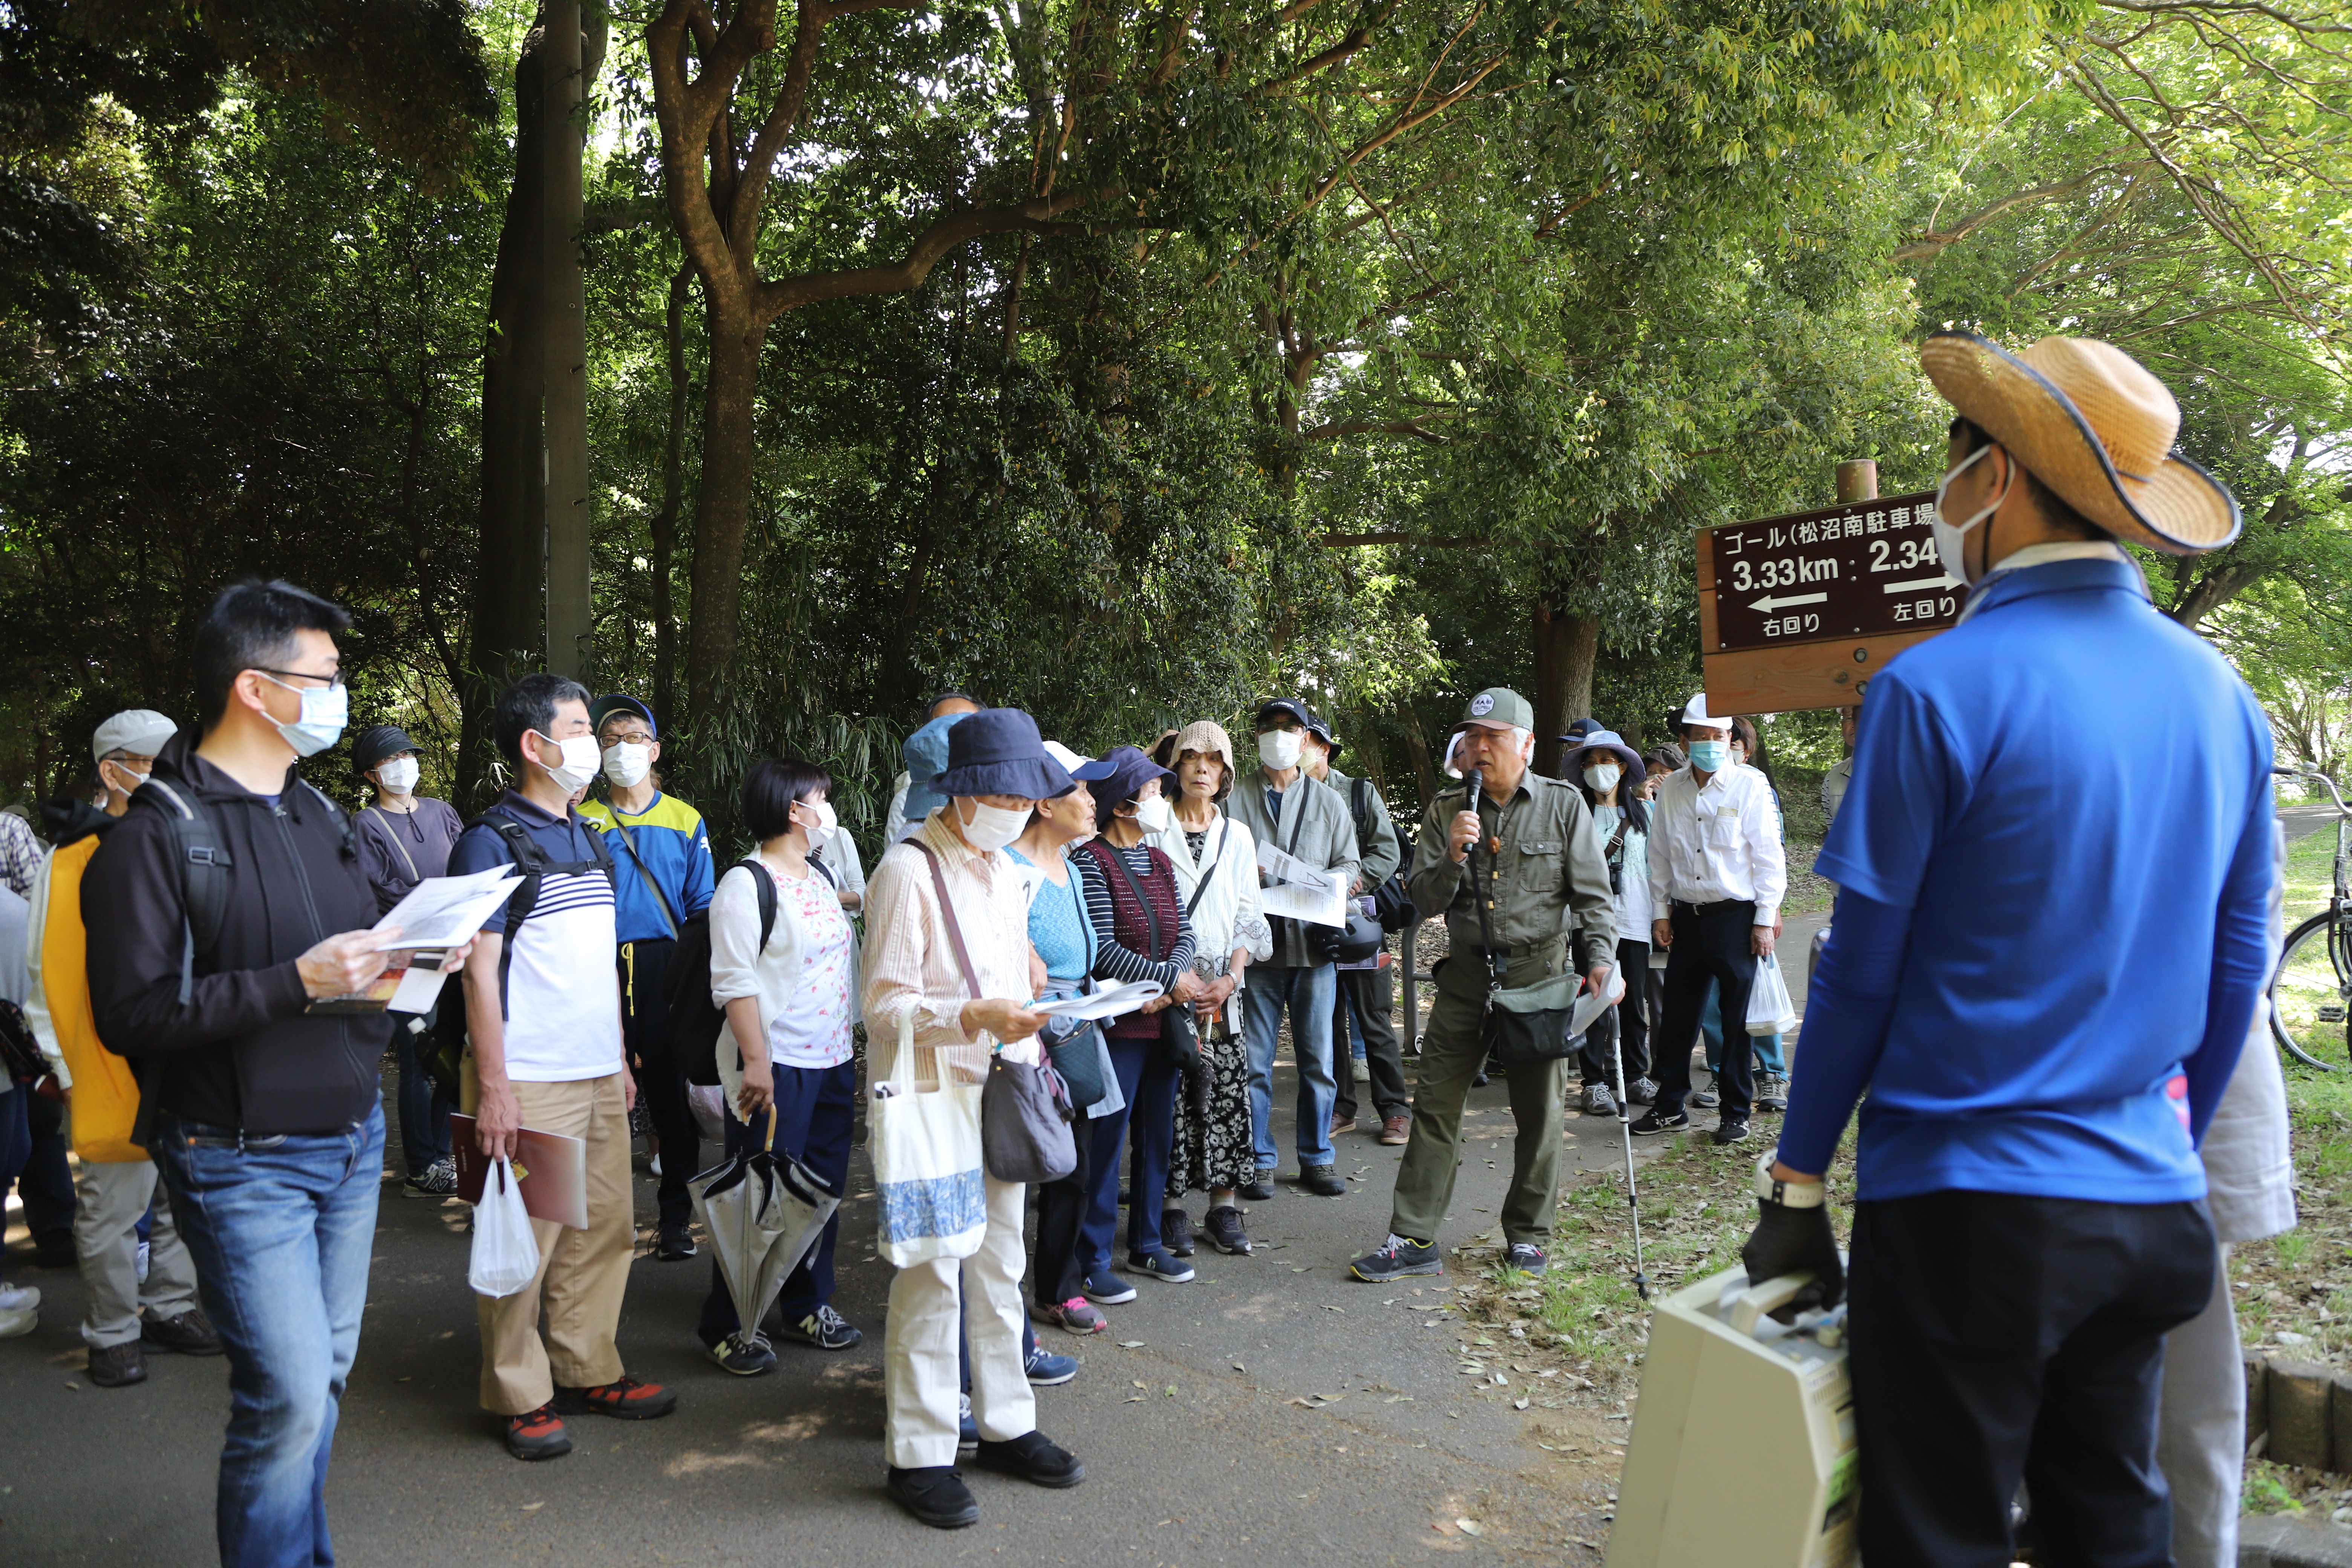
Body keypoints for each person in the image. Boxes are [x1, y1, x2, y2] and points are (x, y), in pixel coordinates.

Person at [1742, 332, 2272, 1566]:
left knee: (1941, 1534)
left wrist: (1799, 1180)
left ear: (1997, 482)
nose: (1942, 501)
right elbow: (2237, 967)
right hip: (2147, 1209)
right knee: (2111, 1525)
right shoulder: (2221, 698)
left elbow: (1861, 972)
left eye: (1954, 466)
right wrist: (2161, 1149)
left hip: (1971, 1209)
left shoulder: (1937, 691)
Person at [84, 579, 418, 1565]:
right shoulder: (158, 833)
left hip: (352, 1142)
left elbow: (353, 947)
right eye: (323, 677)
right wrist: (295, 983)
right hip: (240, 1156)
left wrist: (414, 958)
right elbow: (132, 1014)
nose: (338, 697)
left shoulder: (316, 811)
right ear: (254, 690)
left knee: (318, 1385)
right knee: (284, 1395)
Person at [864, 707, 1084, 1528]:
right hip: (932, 1099)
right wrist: (974, 1017)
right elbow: (883, 1009)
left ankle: (1005, 1423)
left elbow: (1011, 981)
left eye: (1030, 796)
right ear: (967, 791)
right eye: (1010, 793)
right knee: (931, 1272)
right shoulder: (907, 871)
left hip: (1001, 1088)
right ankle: (917, 1452)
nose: (1022, 809)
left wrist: (1033, 1011)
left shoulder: (1000, 870)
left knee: (999, 1266)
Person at [450, 674, 676, 1461]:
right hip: (530, 1076)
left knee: (606, 1228)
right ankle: (520, 1389)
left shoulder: (584, 832)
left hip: (593, 1071)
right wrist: (497, 1086)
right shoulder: (491, 839)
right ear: (534, 745)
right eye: (583, 728)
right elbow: (479, 972)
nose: (600, 744)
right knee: (525, 1240)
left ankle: (587, 1363)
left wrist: (617, 1056)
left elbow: (593, 963)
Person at [1350, 688, 1614, 1282]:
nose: (1478, 748)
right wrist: (1450, 858)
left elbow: (1594, 899)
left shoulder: (1564, 805)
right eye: (1472, 737)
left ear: (1526, 744)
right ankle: (1413, 1238)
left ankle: (1527, 1236)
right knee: (1436, 1106)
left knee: (1540, 1114)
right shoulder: (1448, 809)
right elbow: (1419, 899)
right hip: (1468, 976)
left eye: (1492, 737)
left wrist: (1600, 960)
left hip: (1540, 976)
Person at [25, 709, 219, 1388]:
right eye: (154, 762)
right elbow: (42, 968)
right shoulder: (73, 855)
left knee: (183, 1195)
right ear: (114, 771)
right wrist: (61, 1061)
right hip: (109, 1060)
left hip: (187, 1051)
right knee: (112, 1205)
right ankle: (111, 1331)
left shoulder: (191, 838)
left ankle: (169, 1307)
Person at [697, 758, 866, 1373]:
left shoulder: (818, 873)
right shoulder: (747, 883)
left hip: (832, 1059)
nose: (828, 807)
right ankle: (730, 1323)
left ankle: (804, 1304)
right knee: (759, 1194)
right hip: (777, 1065)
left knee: (820, 1190)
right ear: (792, 809)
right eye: (820, 797)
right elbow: (735, 982)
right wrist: (756, 1062)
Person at [577, 692, 715, 1262]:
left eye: (633, 738)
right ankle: (592, 1225)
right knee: (592, 1094)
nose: (621, 749)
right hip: (591, 968)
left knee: (669, 1100)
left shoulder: (685, 819)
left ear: (654, 749)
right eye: (609, 740)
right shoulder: (578, 819)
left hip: (666, 968)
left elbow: (703, 906)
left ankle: (675, 1219)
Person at [1074, 746, 1204, 1291]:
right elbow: (1101, 949)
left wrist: (1170, 982)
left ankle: (1147, 1245)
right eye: (1151, 790)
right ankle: (1093, 1258)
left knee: (1158, 1136)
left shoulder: (1161, 860)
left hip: (1163, 1022)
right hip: (1119, 1027)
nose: (1161, 798)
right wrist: (1167, 982)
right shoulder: (1091, 861)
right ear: (1123, 805)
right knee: (1105, 1140)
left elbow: (1186, 933)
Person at [1631, 692, 1785, 1145]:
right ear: (1684, 740)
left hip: (1736, 919)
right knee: (1678, 1017)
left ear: (1730, 738)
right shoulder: (1674, 786)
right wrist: (1661, 913)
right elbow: (1658, 856)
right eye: (1702, 737)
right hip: (1687, 918)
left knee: (1736, 1021)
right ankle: (1670, 1105)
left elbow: (1768, 857)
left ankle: (1736, 1112)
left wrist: (1763, 919)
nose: (1713, 744)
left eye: (1720, 736)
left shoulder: (1750, 785)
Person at [1007, 742, 1121, 1333]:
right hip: (1022, 1038)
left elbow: (1084, 958)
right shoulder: (1004, 868)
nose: (1092, 799)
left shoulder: (1072, 868)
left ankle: (1058, 1287)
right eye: (1080, 789)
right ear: (1045, 804)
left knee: (1073, 1164)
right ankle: (997, 1297)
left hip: (1077, 1028)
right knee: (1011, 1166)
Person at [1225, 698, 1358, 1199]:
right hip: (1256, 953)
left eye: (1290, 727)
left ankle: (1317, 1157)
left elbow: (1351, 865)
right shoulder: (1234, 800)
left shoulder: (1329, 801)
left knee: (1318, 1060)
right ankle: (1259, 1158)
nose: (1279, 734)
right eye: (1270, 726)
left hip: (1313, 948)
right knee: (1254, 1061)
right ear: (1256, 736)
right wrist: (1247, 873)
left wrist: (1326, 882)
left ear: (1306, 740)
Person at [1150, 721, 1271, 1257]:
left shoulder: (1237, 835)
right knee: (1170, 1100)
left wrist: (1230, 978)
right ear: (1176, 767)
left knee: (1226, 1096)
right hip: (1168, 985)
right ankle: (1170, 1209)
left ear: (1225, 773)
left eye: (1213, 760)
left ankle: (1223, 1206)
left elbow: (1250, 915)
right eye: (1191, 757)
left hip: (1222, 989)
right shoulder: (1153, 827)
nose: (1202, 767)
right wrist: (1177, 978)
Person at [350, 723, 465, 1199]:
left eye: (407, 755)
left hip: (455, 946)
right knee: (419, 1060)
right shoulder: (365, 824)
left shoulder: (442, 811)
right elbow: (374, 891)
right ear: (372, 774)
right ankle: (422, 1163)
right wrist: (440, 898)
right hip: (403, 952)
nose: (404, 765)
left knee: (451, 1051)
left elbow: (469, 862)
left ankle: (443, 1152)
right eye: (391, 759)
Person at [1300, 714, 1409, 1145]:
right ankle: (1341, 1107)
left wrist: (1354, 880)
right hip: (1311, 923)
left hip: (1358, 921)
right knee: (1327, 1020)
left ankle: (1395, 1109)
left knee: (1374, 1016)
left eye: (1307, 741)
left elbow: (1389, 850)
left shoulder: (1359, 792)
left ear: (1324, 748)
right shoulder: (1288, 794)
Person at [1566, 729, 1654, 1112]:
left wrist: (1663, 916)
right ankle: (1595, 1081)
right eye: (1590, 761)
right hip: (1587, 920)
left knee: (1634, 1002)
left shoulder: (1644, 812)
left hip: (1636, 916)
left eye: (1606, 760)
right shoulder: (1574, 812)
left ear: (1622, 766)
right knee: (1593, 1000)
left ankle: (1635, 1075)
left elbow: (1658, 866)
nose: (1598, 768)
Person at [885, 692, 983, 833]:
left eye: (965, 725)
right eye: (942, 727)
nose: (954, 734)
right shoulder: (906, 803)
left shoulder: (1002, 792)